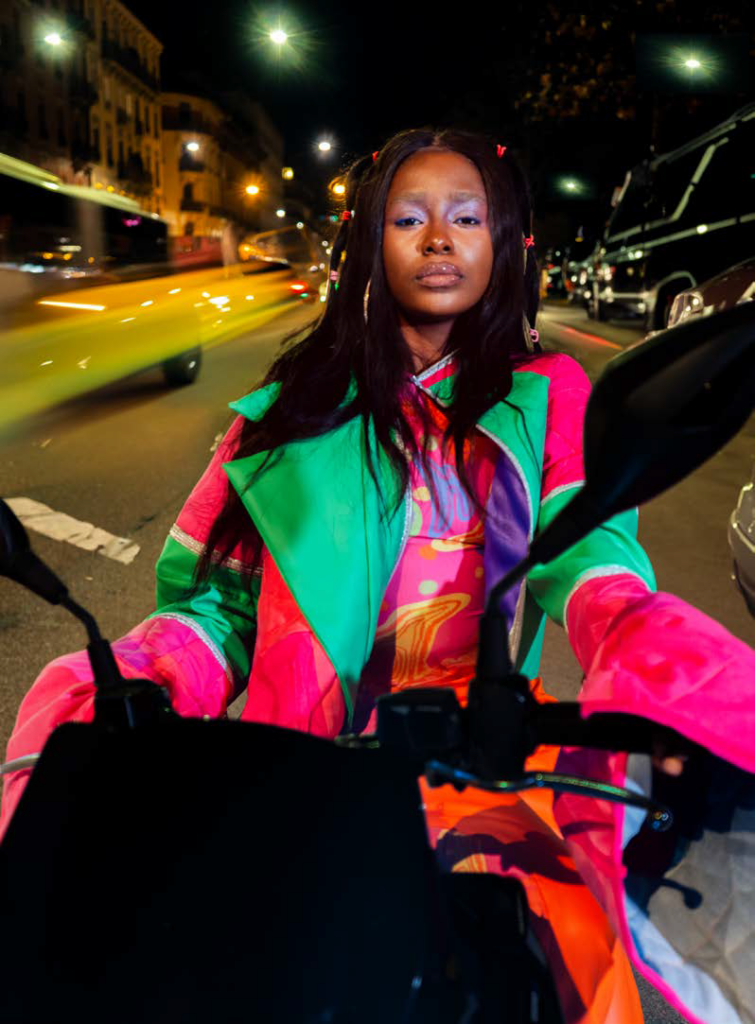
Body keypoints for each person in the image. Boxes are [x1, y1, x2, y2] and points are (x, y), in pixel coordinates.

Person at [2, 128, 753, 1024]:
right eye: (407, 219)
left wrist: (659, 660)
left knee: (565, 981)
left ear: (500, 241)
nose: (438, 239)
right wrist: (146, 676)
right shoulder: (288, 408)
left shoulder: (547, 395)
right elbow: (219, 605)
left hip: (478, 778)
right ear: (368, 241)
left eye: (465, 218)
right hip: (293, 779)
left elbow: (591, 561)